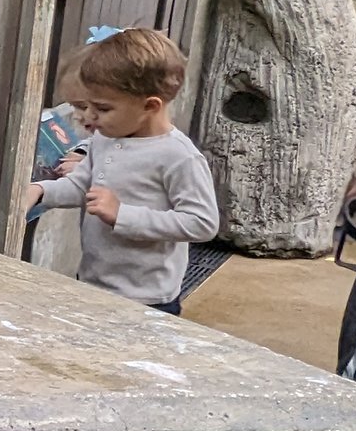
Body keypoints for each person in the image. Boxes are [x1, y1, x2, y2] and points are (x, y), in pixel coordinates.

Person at [24, 28, 221, 314]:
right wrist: (40, 190)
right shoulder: (105, 138)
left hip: (147, 298)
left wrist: (123, 215)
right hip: (93, 281)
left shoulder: (179, 156)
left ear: (150, 105)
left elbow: (201, 222)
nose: (90, 117)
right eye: (87, 106)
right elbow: (81, 187)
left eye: (102, 109)